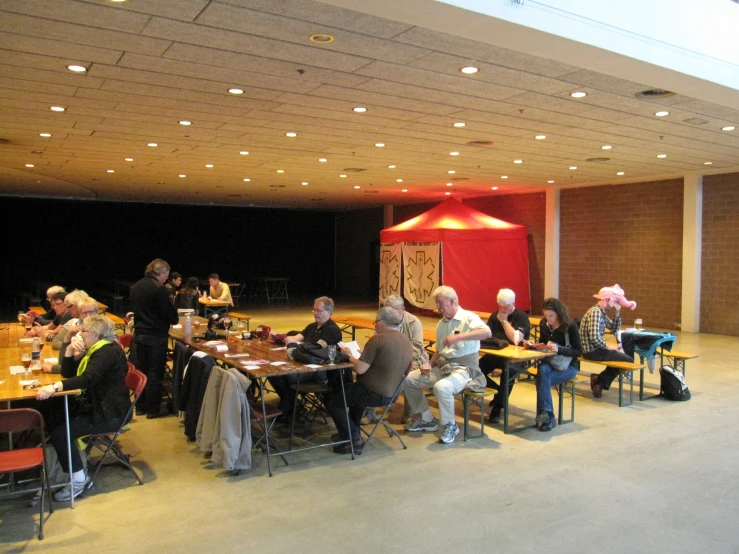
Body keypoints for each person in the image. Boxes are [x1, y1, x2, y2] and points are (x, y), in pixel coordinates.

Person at [35, 315, 131, 502]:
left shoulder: (106, 352)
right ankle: (63, 469)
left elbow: (87, 379)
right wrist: (70, 349)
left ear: (95, 334)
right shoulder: (96, 349)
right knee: (53, 413)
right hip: (98, 407)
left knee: (61, 433)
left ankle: (80, 480)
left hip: (110, 414)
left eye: (83, 331)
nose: (80, 333)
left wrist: (54, 387)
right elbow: (68, 374)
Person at [403, 286, 491, 444]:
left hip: (465, 369)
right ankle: (427, 419)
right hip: (444, 366)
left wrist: (459, 337)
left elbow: (487, 333)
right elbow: (439, 350)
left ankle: (450, 424)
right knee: (409, 380)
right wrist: (429, 363)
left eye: (440, 303)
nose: (438, 308)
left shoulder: (469, 317)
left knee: (442, 387)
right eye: (437, 303)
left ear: (452, 301)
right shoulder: (442, 324)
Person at [327, 307, 413, 454]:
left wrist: (348, 355)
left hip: (374, 392)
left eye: (375, 321)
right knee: (353, 395)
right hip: (393, 394)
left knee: (332, 399)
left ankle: (354, 438)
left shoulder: (377, 340)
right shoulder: (405, 340)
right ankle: (349, 431)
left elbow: (360, 369)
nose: (375, 325)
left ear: (381, 322)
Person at [268, 296, 342, 417]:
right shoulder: (312, 326)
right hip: (302, 364)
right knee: (272, 372)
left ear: (329, 312)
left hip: (319, 369)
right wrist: (280, 337)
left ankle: (289, 406)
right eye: (314, 310)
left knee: (282, 376)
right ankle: (293, 405)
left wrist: (294, 345)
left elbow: (315, 349)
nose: (315, 313)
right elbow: (296, 338)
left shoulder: (332, 330)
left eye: (319, 310)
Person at [366, 295, 428, 423]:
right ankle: (369, 412)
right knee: (369, 370)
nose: (391, 313)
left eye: (394, 310)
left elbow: (417, 348)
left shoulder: (413, 322)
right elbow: (377, 342)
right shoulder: (383, 320)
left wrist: (399, 359)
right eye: (388, 310)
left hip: (412, 359)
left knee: (408, 375)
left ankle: (409, 413)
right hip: (387, 359)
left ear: (403, 309)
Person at [131, 258, 179, 418]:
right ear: (160, 272)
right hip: (156, 335)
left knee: (141, 371)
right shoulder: (160, 289)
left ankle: (141, 406)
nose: (167, 277)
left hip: (139, 335)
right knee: (154, 373)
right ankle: (153, 409)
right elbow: (171, 315)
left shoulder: (136, 286)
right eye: (166, 274)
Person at [479, 288, 531, 424]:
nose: (503, 310)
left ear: (513, 303)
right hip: (496, 354)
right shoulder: (494, 315)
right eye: (501, 307)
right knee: (475, 370)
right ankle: (498, 393)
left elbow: (516, 340)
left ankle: (498, 407)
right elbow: (487, 334)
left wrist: (504, 321)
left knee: (509, 372)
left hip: (516, 357)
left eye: (506, 307)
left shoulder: (521, 317)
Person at [534, 298, 583, 431]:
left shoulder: (569, 326)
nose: (548, 319)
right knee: (542, 370)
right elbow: (542, 343)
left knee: (542, 380)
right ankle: (548, 416)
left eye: (551, 316)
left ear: (558, 313)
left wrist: (559, 349)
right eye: (545, 315)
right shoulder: (544, 324)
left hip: (568, 366)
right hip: (549, 362)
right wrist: (534, 346)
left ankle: (546, 416)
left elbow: (579, 351)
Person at [581, 287, 633, 398]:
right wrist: (608, 347)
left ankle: (600, 381)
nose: (614, 303)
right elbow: (594, 337)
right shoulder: (596, 313)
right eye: (613, 301)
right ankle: (600, 381)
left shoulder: (601, 312)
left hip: (596, 349)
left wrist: (617, 312)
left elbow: (614, 329)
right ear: (606, 300)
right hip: (592, 351)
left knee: (622, 357)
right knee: (627, 360)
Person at [45, 297, 100, 373]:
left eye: (91, 312)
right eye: (84, 313)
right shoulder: (73, 324)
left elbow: (88, 366)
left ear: (97, 312)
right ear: (80, 314)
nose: (88, 316)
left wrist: (55, 369)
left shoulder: (104, 331)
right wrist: (68, 339)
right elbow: (62, 362)